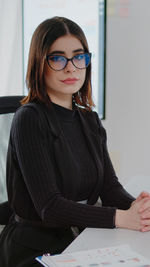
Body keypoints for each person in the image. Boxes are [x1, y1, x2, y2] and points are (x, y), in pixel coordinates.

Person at [0, 16, 150, 267]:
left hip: (79, 240)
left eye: (79, 57)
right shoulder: (29, 118)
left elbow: (109, 188)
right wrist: (122, 218)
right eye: (57, 58)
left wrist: (138, 208)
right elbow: (51, 207)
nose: (71, 67)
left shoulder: (89, 119)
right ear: (39, 64)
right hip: (34, 249)